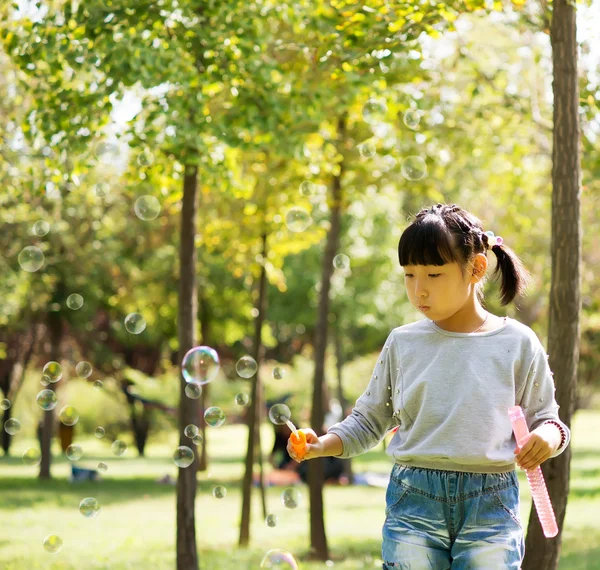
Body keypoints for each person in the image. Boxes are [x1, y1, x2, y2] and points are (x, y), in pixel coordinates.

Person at [287, 203, 571, 570]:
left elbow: (549, 419)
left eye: (434, 275)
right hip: (414, 499)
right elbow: (369, 421)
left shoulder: (517, 342)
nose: (418, 290)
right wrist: (321, 444)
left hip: (491, 502)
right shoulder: (403, 343)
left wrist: (547, 439)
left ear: (476, 268)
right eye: (409, 275)